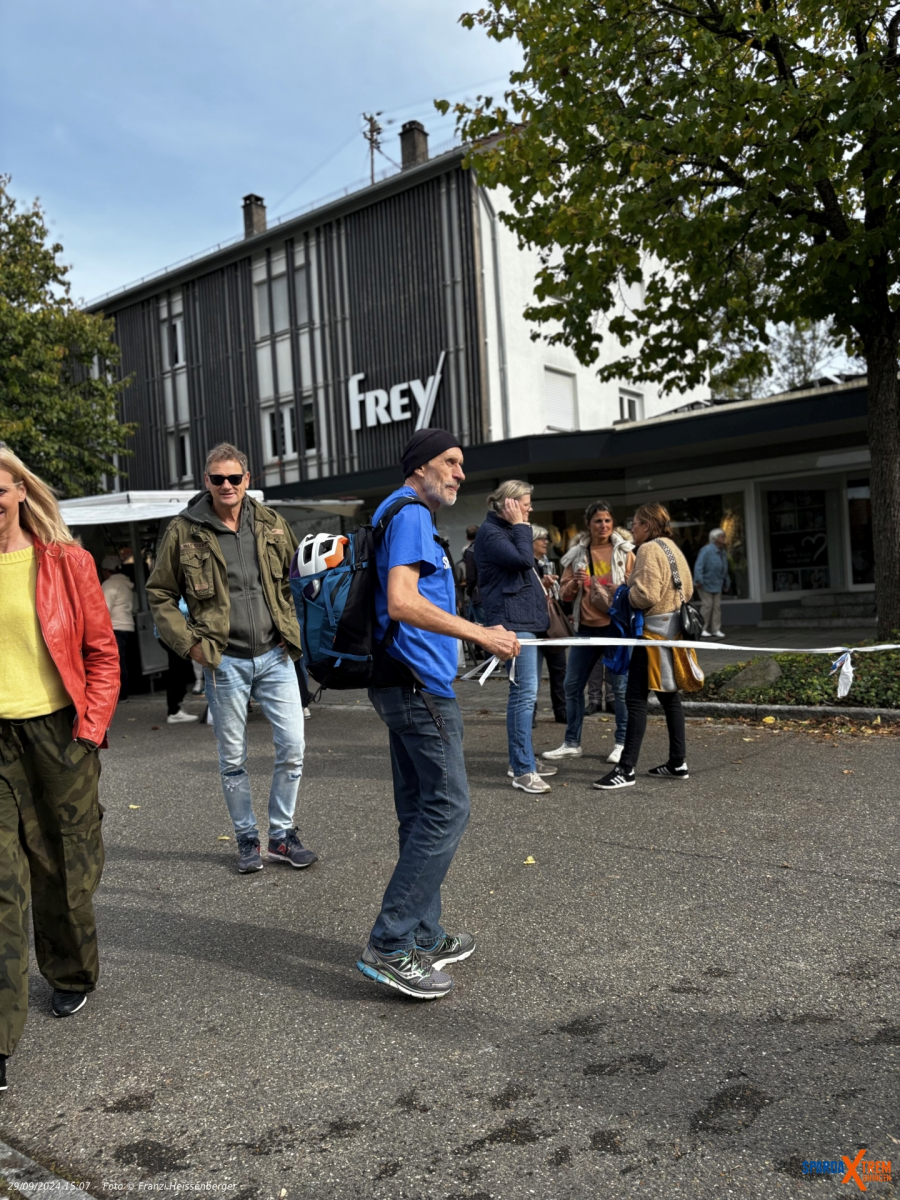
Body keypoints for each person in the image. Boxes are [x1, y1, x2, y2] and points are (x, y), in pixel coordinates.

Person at [357, 429, 519, 1000]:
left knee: (420, 809)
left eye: (460, 464)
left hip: (400, 682)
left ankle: (423, 934)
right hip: (418, 687)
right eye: (450, 462)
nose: (459, 473)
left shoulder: (399, 512)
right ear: (420, 467)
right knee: (448, 807)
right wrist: (481, 634)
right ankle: (390, 942)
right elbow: (402, 601)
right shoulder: (409, 515)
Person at [0, 447, 119, 1091]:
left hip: (59, 733)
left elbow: (101, 650)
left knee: (65, 867)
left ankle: (71, 970)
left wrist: (90, 728)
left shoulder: (66, 561)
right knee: (3, 884)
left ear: (21, 490)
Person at [147, 442, 316, 875]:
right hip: (224, 661)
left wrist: (293, 630)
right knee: (233, 759)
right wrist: (190, 645)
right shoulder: (184, 530)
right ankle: (247, 839)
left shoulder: (271, 522)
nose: (227, 485)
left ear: (247, 480)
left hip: (276, 656)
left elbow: (296, 581)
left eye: (234, 478)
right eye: (218, 478)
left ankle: (281, 835)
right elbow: (160, 593)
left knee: (293, 748)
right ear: (207, 481)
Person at [594, 502, 694, 789]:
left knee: (635, 699)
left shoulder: (648, 549)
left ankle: (626, 769)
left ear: (647, 526)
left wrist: (624, 592)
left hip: (651, 635)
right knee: (669, 698)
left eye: (635, 523)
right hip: (674, 632)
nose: (632, 528)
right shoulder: (672, 548)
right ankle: (677, 762)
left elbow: (646, 596)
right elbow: (687, 590)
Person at [474, 481, 557, 795]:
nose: (530, 509)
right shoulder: (492, 533)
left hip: (524, 621)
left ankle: (522, 761)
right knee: (523, 696)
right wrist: (521, 526)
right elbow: (523, 560)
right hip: (512, 624)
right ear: (508, 504)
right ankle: (523, 770)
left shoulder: (504, 531)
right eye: (525, 503)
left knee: (527, 695)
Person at [544, 502, 635, 766]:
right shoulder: (577, 554)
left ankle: (621, 743)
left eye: (607, 520)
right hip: (585, 629)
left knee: (620, 688)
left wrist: (620, 588)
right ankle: (572, 743)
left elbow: (637, 588)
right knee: (572, 685)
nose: (603, 525)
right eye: (598, 521)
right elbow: (564, 595)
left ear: (613, 523)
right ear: (588, 524)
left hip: (616, 628)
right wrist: (575, 582)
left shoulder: (625, 552)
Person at [532, 525, 567, 724]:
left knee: (559, 669)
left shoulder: (547, 563)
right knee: (533, 672)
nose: (546, 542)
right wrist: (542, 587)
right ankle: (530, 714)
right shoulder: (526, 566)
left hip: (552, 624)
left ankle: (561, 711)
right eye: (541, 539)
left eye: (546, 538)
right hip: (534, 624)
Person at [101, 555, 135, 701]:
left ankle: (119, 694)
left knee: (113, 662)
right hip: (127, 626)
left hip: (114, 626)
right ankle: (124, 691)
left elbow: (103, 608)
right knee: (122, 660)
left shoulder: (110, 584)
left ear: (107, 570)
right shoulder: (126, 583)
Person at [694, 528, 731, 638]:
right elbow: (699, 566)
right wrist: (698, 580)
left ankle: (716, 629)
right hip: (705, 583)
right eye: (722, 536)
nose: (724, 538)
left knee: (717, 607)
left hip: (717, 583)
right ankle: (701, 629)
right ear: (715, 538)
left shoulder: (722, 552)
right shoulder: (706, 550)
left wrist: (726, 582)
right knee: (707, 605)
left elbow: (724, 568)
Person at [461, 525, 485, 625]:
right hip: (495, 595)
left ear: (467, 537)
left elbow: (471, 577)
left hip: (479, 595)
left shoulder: (471, 552)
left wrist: (469, 592)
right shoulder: (492, 547)